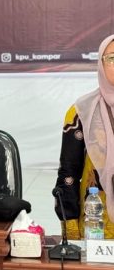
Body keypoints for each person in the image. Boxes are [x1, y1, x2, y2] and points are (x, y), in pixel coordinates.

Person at [55, 35, 114, 238]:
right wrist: (70, 224)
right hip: (97, 225)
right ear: (101, 65)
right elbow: (69, 173)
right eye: (112, 58)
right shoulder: (82, 113)